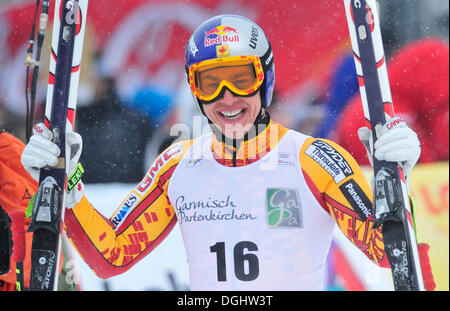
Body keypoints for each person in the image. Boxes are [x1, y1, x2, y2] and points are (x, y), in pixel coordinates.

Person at [20, 15, 432, 290]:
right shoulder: (176, 165)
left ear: (265, 80)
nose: (227, 97)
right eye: (210, 82)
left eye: (240, 78)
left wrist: (395, 183)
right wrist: (67, 190)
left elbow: (386, 251)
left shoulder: (314, 160)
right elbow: (112, 254)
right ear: (194, 90)